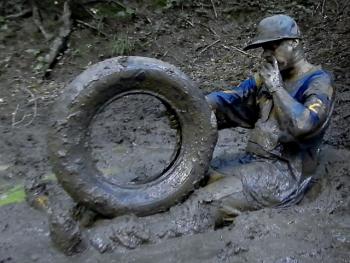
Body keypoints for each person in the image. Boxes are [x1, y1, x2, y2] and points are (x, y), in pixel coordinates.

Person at [94, 14, 335, 248]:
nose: (267, 54)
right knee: (192, 178)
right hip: (252, 161)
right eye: (264, 49)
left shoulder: (318, 81)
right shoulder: (266, 80)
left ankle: (115, 239)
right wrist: (189, 107)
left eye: (273, 46)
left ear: (294, 42)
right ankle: (116, 210)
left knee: (206, 203)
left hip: (284, 173)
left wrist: (276, 88)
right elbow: (232, 100)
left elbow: (305, 124)